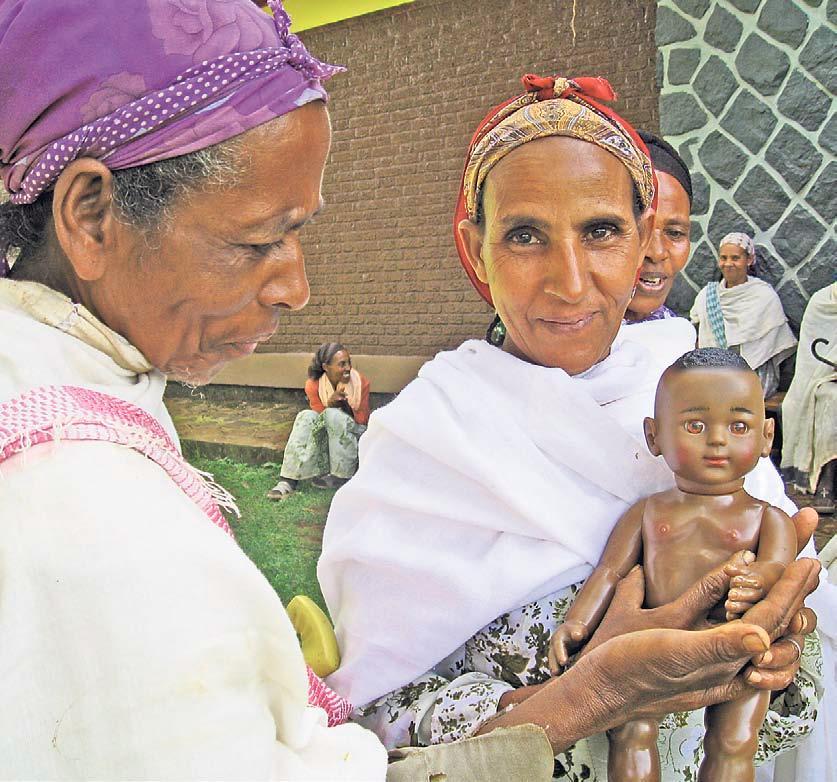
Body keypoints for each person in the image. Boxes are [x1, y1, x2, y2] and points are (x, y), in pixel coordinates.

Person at [318, 75, 827, 780]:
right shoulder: (427, 438)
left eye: (600, 232)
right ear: (474, 250)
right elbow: (377, 716)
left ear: (643, 241)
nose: (569, 281)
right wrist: (579, 695)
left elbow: (793, 692)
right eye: (524, 235)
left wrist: (770, 650)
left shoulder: (692, 394)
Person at [0, 1, 387, 777]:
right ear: (91, 215)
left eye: (299, 232)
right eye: (258, 240)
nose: (296, 289)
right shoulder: (84, 508)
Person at [551, 348, 797, 782]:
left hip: (734, 646)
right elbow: (610, 571)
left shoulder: (768, 517)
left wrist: (759, 580)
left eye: (738, 426)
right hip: (648, 645)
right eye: (695, 426)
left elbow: (779, 568)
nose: (717, 440)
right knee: (630, 732)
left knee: (735, 740)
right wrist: (578, 622)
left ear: (766, 436)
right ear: (654, 436)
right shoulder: (648, 513)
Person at [690, 232, 797, 398]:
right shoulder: (707, 295)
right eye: (723, 258)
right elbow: (697, 339)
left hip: (753, 374)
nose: (728, 263)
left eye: (735, 258)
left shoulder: (763, 295)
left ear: (749, 260)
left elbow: (771, 346)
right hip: (713, 373)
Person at [267, 342, 370, 499]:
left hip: (354, 434)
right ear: (326, 367)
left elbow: (362, 420)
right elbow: (319, 420)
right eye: (342, 364)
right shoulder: (313, 385)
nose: (348, 368)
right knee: (306, 416)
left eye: (349, 362)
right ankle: (288, 480)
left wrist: (343, 406)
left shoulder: (360, 382)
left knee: (333, 415)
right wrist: (331, 404)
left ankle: (341, 476)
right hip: (328, 435)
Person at [624, 130, 692, 324]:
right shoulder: (551, 348)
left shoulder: (678, 341)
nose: (656, 252)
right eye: (637, 229)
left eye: (675, 233)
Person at [781, 282, 837, 499]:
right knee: (830, 400)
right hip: (824, 378)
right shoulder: (822, 301)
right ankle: (827, 479)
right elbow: (810, 360)